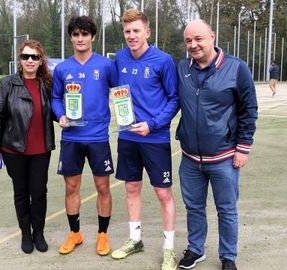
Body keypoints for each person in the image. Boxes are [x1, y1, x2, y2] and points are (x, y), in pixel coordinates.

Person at [176, 19, 258, 270]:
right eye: (188, 40)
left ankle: (228, 256)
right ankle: (195, 249)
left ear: (212, 36)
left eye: (198, 38)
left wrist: (243, 147)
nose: (193, 44)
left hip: (224, 157)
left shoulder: (236, 68)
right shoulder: (182, 68)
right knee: (194, 207)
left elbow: (249, 109)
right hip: (190, 158)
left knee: (227, 209)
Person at [110, 9, 179, 270]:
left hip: (155, 138)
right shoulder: (119, 57)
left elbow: (174, 99)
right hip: (128, 137)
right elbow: (119, 91)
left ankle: (169, 249)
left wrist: (152, 124)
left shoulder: (163, 61)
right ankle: (135, 239)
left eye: (136, 30)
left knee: (163, 193)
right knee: (131, 188)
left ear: (147, 32)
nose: (131, 36)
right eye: (127, 31)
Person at [52, 16, 117, 256]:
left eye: (85, 34)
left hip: (98, 137)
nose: (80, 39)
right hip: (71, 138)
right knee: (71, 187)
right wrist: (60, 115)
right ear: (71, 37)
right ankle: (75, 234)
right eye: (76, 34)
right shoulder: (62, 68)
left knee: (102, 187)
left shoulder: (106, 66)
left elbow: (120, 92)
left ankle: (102, 235)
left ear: (93, 37)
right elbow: (56, 98)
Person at [0, 40, 55, 254]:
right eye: (26, 56)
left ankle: (39, 233)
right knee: (21, 193)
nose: (30, 60)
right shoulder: (7, 84)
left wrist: (66, 115)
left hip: (41, 149)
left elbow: (57, 109)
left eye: (34, 57)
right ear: (19, 59)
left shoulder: (47, 84)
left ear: (41, 60)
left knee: (39, 192)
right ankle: (26, 234)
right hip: (14, 150)